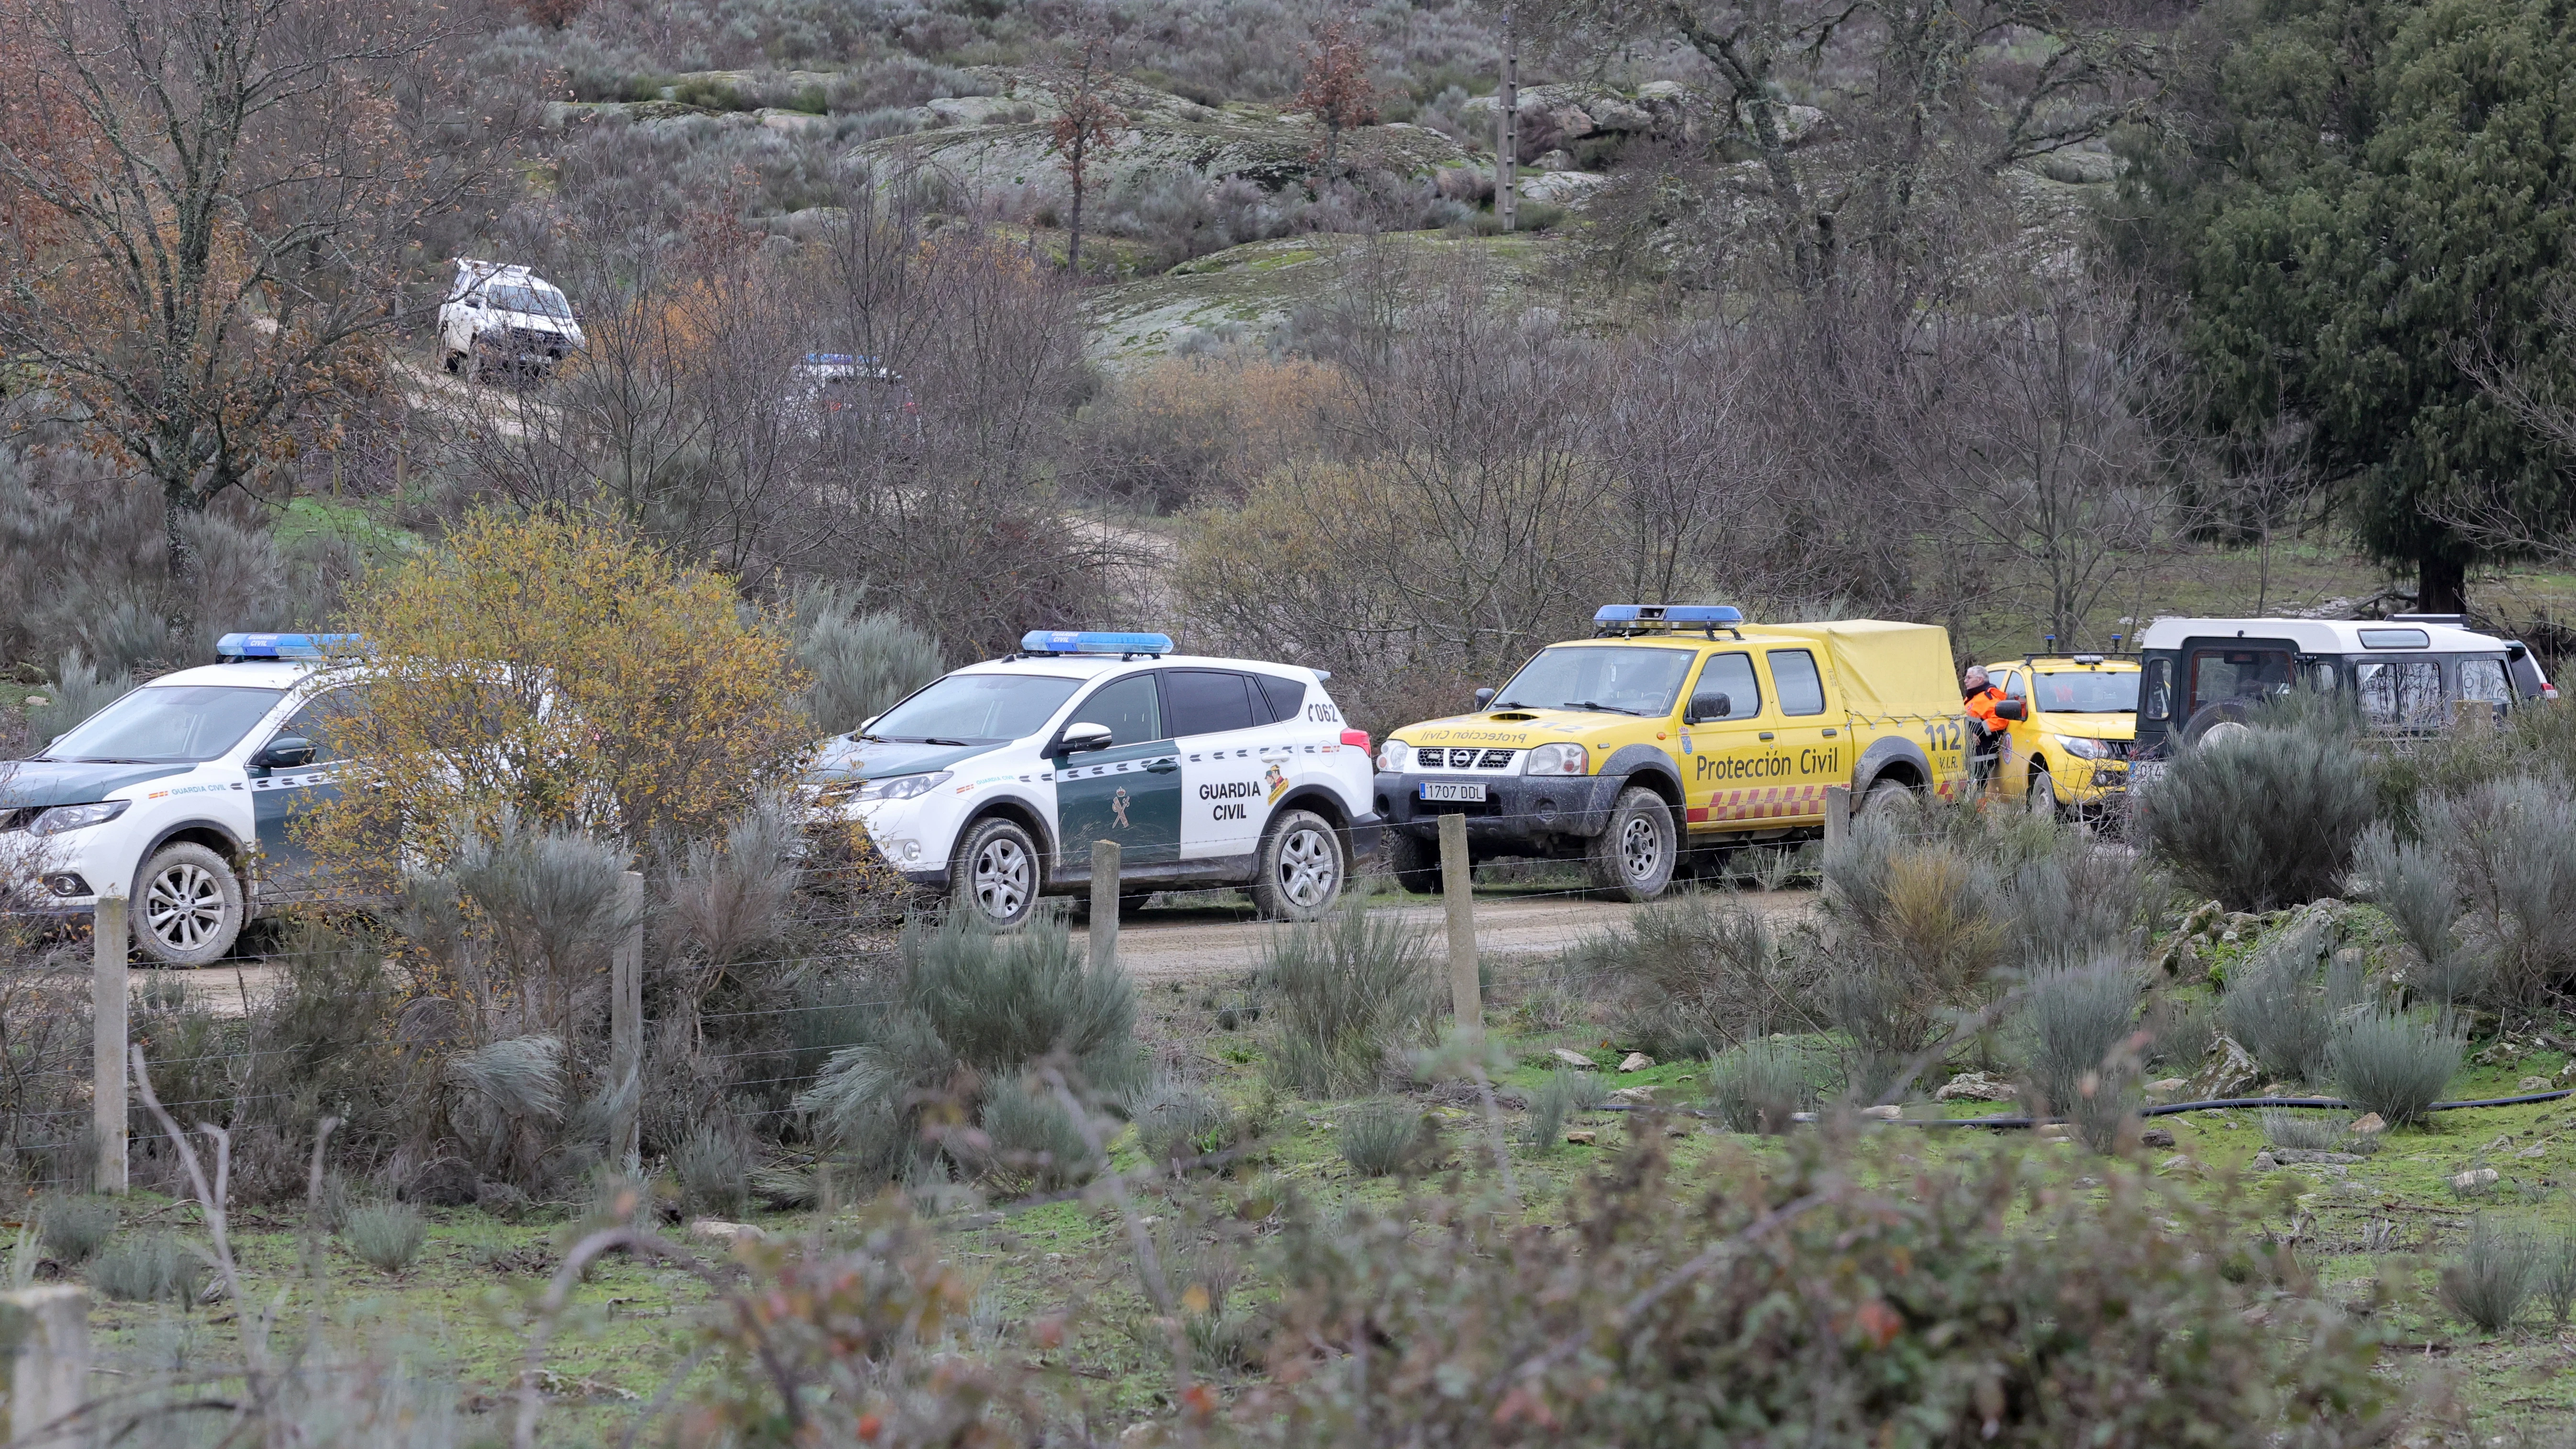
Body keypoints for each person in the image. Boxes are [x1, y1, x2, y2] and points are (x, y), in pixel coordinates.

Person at [1963, 665, 2009, 786]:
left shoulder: (1989, 699)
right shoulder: (1971, 698)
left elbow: (2001, 720)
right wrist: (1968, 733)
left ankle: (1979, 805)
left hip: (1981, 756)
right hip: (1969, 755)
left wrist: (1977, 731)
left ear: (1980, 680)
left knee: (1977, 790)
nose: (1965, 680)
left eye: (1969, 677)